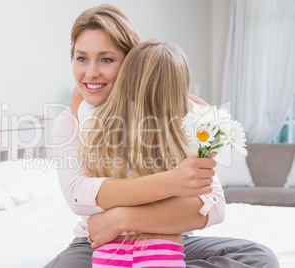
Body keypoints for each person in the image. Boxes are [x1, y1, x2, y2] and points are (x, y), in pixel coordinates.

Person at [45, 4, 279, 268]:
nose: (90, 73)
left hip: (167, 236)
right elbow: (79, 194)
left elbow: (213, 205)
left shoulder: (181, 114)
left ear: (130, 63)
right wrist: (173, 182)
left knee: (261, 258)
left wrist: (121, 218)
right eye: (81, 58)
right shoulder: (72, 121)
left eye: (106, 59)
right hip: (99, 241)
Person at [79, 39, 199, 267]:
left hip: (111, 242)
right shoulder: (186, 135)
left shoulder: (97, 122)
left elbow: (79, 97)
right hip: (163, 240)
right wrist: (191, 102)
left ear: (125, 79)